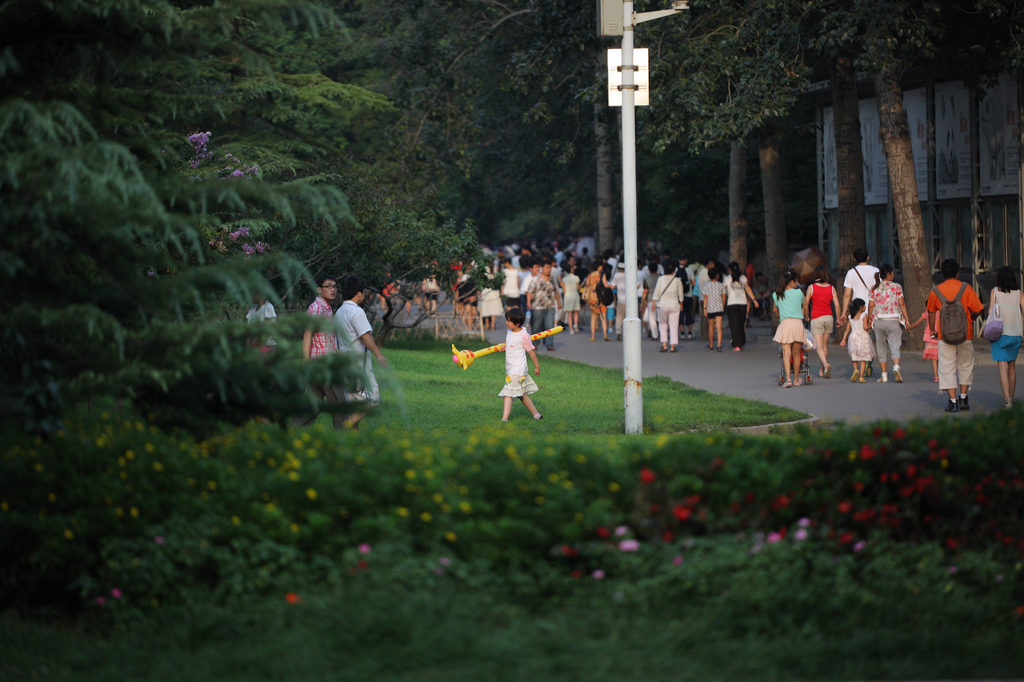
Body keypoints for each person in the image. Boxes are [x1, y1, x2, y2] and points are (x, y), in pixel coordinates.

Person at [926, 258, 984, 413]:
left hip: (944, 336)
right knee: (965, 366)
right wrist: (971, 319)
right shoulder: (966, 288)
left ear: (943, 274)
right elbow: (978, 308)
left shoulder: (935, 291)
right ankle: (963, 398)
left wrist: (932, 329)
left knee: (946, 367)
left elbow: (931, 313)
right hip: (966, 335)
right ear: (957, 273)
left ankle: (952, 402)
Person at [292, 275, 346, 429]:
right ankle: (341, 444)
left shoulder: (327, 308)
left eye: (335, 286)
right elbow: (308, 333)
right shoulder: (317, 307)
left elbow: (325, 340)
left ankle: (289, 433)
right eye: (328, 286)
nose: (333, 290)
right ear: (319, 289)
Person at [336, 276, 388, 429]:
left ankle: (351, 441)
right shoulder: (356, 312)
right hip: (359, 365)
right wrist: (379, 355)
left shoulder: (340, 311)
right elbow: (365, 336)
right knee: (373, 399)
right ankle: (343, 427)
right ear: (359, 293)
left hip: (345, 363)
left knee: (353, 404)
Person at [867, 264, 911, 383]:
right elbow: (902, 303)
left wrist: (870, 319)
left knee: (881, 346)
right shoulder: (897, 287)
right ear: (889, 274)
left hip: (879, 321)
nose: (893, 275)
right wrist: (906, 320)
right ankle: (896, 367)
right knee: (895, 345)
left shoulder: (874, 287)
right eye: (892, 273)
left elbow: (871, 305)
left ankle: (884, 375)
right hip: (893, 320)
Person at [989, 266, 1024, 408]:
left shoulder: (994, 292)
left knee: (1003, 369)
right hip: (1016, 333)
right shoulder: (1019, 293)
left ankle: (1007, 401)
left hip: (1000, 333)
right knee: (1012, 368)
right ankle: (1012, 397)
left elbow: (991, 310)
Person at [499, 307, 543, 422]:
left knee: (508, 393)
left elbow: (531, 352)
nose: (506, 322)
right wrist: (505, 348)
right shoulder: (510, 331)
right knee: (521, 394)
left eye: (509, 321)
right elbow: (512, 346)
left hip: (517, 369)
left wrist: (537, 367)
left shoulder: (524, 335)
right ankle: (537, 415)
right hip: (511, 368)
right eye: (506, 320)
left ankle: (504, 419)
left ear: (517, 323)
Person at [801, 266, 839, 378]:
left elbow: (806, 304)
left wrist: (805, 316)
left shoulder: (811, 288)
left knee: (818, 346)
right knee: (824, 345)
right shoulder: (831, 288)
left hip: (817, 318)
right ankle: (822, 370)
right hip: (829, 318)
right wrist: (837, 319)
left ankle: (826, 365)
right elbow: (836, 304)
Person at [772, 271, 806, 387]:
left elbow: (775, 310)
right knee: (796, 354)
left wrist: (780, 317)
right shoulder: (799, 293)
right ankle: (796, 379)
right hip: (797, 324)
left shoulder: (777, 294)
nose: (797, 283)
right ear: (792, 282)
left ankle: (788, 380)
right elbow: (804, 306)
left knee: (786, 353)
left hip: (785, 324)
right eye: (796, 281)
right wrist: (805, 316)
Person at [527, 260, 561, 351]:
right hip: (537, 306)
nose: (548, 270)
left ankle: (549, 344)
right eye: (546, 267)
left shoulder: (552, 279)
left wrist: (559, 302)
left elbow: (556, 291)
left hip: (550, 306)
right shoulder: (536, 278)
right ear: (542, 268)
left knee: (549, 326)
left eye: (550, 268)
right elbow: (530, 291)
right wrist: (529, 303)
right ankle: (535, 344)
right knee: (536, 326)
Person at [723, 262, 759, 351]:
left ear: (730, 270)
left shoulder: (727, 279)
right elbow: (747, 289)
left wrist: (722, 304)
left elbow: (724, 293)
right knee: (741, 323)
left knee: (734, 325)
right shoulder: (743, 278)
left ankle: (737, 345)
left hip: (732, 303)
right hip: (743, 303)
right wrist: (754, 300)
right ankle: (741, 342)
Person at [652, 259, 685, 352]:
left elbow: (657, 291)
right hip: (675, 304)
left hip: (663, 304)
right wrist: (681, 303)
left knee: (663, 324)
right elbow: (680, 294)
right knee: (674, 325)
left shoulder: (660, 279)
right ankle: (673, 346)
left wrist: (654, 302)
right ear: (674, 271)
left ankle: (664, 344)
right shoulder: (677, 280)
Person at [839, 298, 874, 383]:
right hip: (863, 336)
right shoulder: (864, 316)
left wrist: (844, 339)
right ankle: (861, 376)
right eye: (864, 306)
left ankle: (855, 370)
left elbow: (847, 329)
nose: (865, 307)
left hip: (853, 336)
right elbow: (865, 327)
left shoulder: (851, 317)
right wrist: (872, 325)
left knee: (854, 356)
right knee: (863, 358)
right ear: (861, 307)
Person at [906, 312, 939, 383]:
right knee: (941, 357)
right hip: (939, 335)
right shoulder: (940, 312)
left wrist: (909, 327)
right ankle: (943, 375)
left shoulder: (927, 313)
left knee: (934, 357)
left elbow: (917, 323)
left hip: (929, 335)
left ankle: (936, 376)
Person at [703, 267, 726, 352]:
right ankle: (719, 345)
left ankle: (711, 345)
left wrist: (704, 308)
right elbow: (724, 297)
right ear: (717, 276)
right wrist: (722, 306)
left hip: (710, 308)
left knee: (711, 327)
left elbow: (706, 297)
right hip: (719, 307)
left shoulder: (706, 285)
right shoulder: (721, 285)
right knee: (719, 327)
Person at [641, 262, 661, 340]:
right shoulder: (661, 277)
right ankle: (662, 333)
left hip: (650, 299)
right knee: (661, 318)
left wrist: (643, 303)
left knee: (652, 319)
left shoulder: (647, 280)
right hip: (660, 299)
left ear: (649, 269)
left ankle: (655, 335)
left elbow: (645, 292)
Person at [560, 265, 581, 333]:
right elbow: (578, 288)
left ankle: (571, 329)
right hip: (575, 295)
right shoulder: (576, 277)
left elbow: (564, 290)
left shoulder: (564, 279)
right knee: (576, 311)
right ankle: (575, 324)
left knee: (569, 313)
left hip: (567, 296)